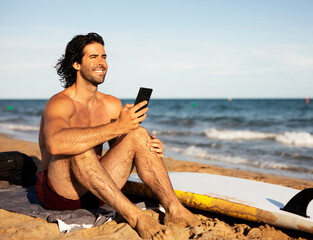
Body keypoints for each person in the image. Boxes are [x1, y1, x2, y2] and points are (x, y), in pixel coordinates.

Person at [36, 32, 198, 239]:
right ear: (76, 64)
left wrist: (150, 148)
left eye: (104, 57)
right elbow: (54, 144)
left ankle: (174, 208)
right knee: (79, 148)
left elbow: (123, 147)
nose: (101, 62)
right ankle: (136, 217)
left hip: (99, 192)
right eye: (93, 57)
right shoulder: (59, 103)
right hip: (61, 193)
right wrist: (117, 127)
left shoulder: (111, 104)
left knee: (139, 134)